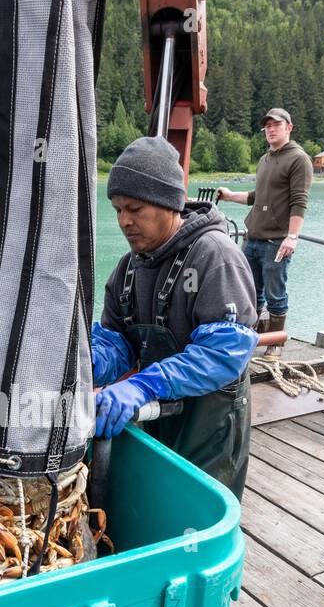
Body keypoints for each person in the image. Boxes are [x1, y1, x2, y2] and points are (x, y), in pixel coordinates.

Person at [91, 136, 259, 499]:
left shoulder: (216, 257)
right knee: (157, 505)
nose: (124, 221)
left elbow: (222, 354)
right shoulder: (128, 269)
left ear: (168, 202)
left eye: (134, 208)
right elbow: (116, 340)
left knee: (197, 516)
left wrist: (142, 385)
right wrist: (80, 365)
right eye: (118, 209)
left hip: (210, 429)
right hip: (158, 421)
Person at [217, 107, 313, 361]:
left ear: (289, 127)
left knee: (275, 295)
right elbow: (254, 198)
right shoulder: (265, 159)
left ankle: (276, 344)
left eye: (276, 125)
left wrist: (292, 237)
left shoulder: (299, 159)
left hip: (276, 241)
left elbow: (299, 202)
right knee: (249, 292)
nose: (270, 130)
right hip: (253, 238)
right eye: (267, 126)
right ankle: (250, 336)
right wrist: (228, 196)